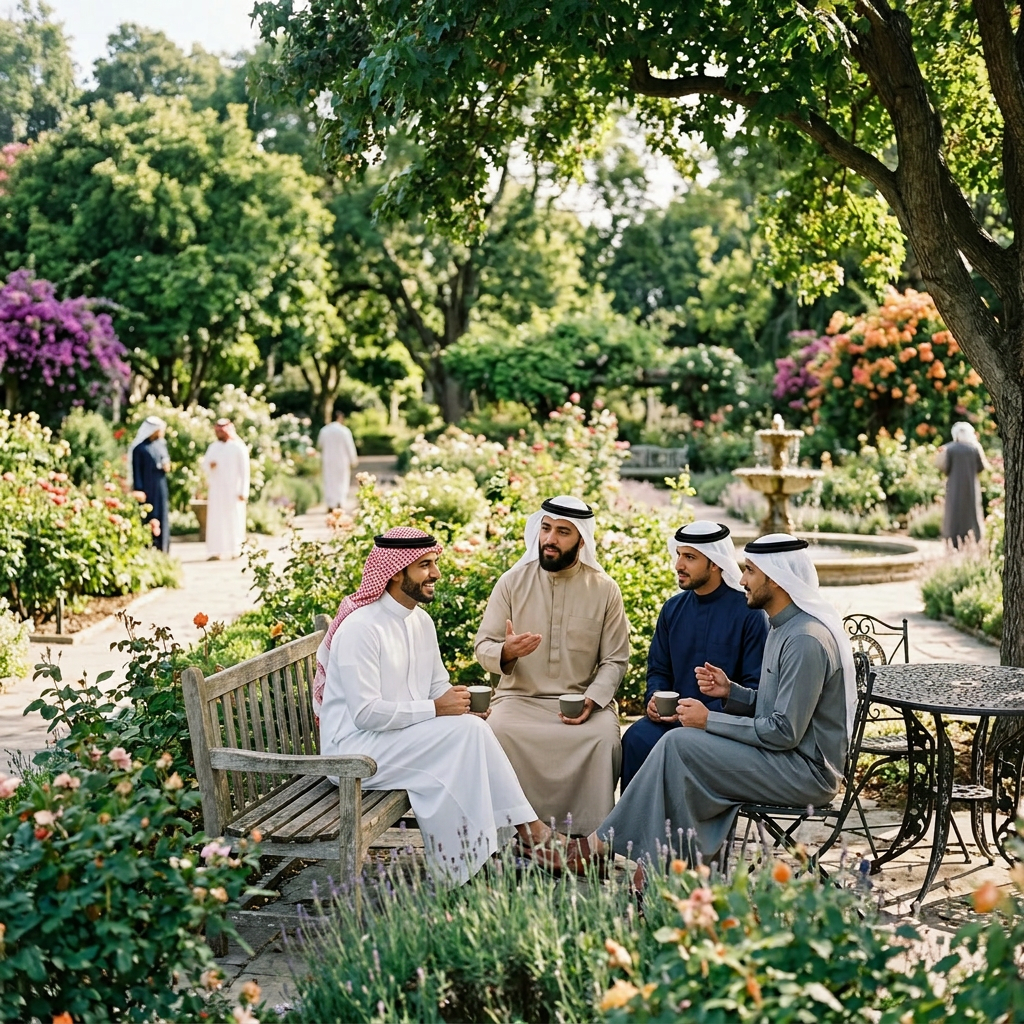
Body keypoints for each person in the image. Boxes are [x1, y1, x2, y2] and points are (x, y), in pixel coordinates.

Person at [549, 533, 855, 877]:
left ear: (776, 579)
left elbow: (783, 731)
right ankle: (661, 867)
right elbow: (773, 707)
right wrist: (732, 693)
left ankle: (604, 849)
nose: (741, 580)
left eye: (750, 571)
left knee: (680, 745)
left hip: (804, 774)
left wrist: (709, 720)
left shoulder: (804, 639)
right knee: (675, 748)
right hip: (784, 759)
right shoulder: (783, 627)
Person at [314, 527, 553, 883]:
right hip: (352, 753)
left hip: (395, 739)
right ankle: (523, 839)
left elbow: (437, 684)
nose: (436, 574)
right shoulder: (360, 628)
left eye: (434, 563)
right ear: (396, 571)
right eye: (425, 565)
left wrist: (461, 705)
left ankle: (476, 860)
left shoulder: (420, 620)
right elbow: (365, 714)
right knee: (465, 738)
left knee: (471, 730)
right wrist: (437, 710)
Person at [474, 496, 630, 836]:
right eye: (546, 529)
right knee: (497, 732)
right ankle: (512, 837)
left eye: (562, 532)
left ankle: (588, 842)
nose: (550, 539)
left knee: (603, 739)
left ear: (581, 540)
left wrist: (593, 698)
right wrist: (506, 652)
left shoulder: (605, 590)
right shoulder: (511, 583)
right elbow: (482, 646)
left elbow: (615, 659)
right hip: (518, 701)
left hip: (582, 704)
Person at [619, 521, 769, 790]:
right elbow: (658, 670)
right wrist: (654, 700)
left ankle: (688, 833)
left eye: (689, 557)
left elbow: (756, 689)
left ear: (714, 563)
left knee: (678, 747)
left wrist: (706, 716)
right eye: (678, 555)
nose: (678, 565)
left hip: (723, 728)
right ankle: (635, 832)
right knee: (636, 738)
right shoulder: (673, 609)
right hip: (671, 721)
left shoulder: (750, 614)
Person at [200, 418, 250, 560]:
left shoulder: (239, 447)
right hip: (217, 491)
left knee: (234, 519)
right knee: (216, 520)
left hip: (234, 491)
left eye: (221, 431)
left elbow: (245, 471)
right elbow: (205, 465)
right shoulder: (213, 447)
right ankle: (216, 551)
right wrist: (211, 466)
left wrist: (243, 491)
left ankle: (236, 550)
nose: (219, 434)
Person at [936, 421, 988, 548]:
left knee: (953, 512)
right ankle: (973, 539)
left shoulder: (949, 448)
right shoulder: (975, 448)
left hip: (953, 486)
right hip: (971, 486)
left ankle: (953, 541)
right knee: (972, 513)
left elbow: (943, 466)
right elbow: (981, 467)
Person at [129, 415, 170, 553]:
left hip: (160, 486)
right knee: (149, 516)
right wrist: (139, 489)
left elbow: (165, 460)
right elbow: (137, 471)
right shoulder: (139, 449)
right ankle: (148, 548)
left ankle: (162, 549)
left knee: (162, 515)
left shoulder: (161, 445)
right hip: (147, 488)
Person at [318, 410, 359, 510]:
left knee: (329, 481)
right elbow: (350, 447)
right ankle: (340, 501)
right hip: (342, 460)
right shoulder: (344, 431)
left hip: (328, 460)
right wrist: (353, 460)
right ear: (340, 418)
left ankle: (330, 503)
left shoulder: (324, 430)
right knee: (342, 481)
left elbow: (320, 445)